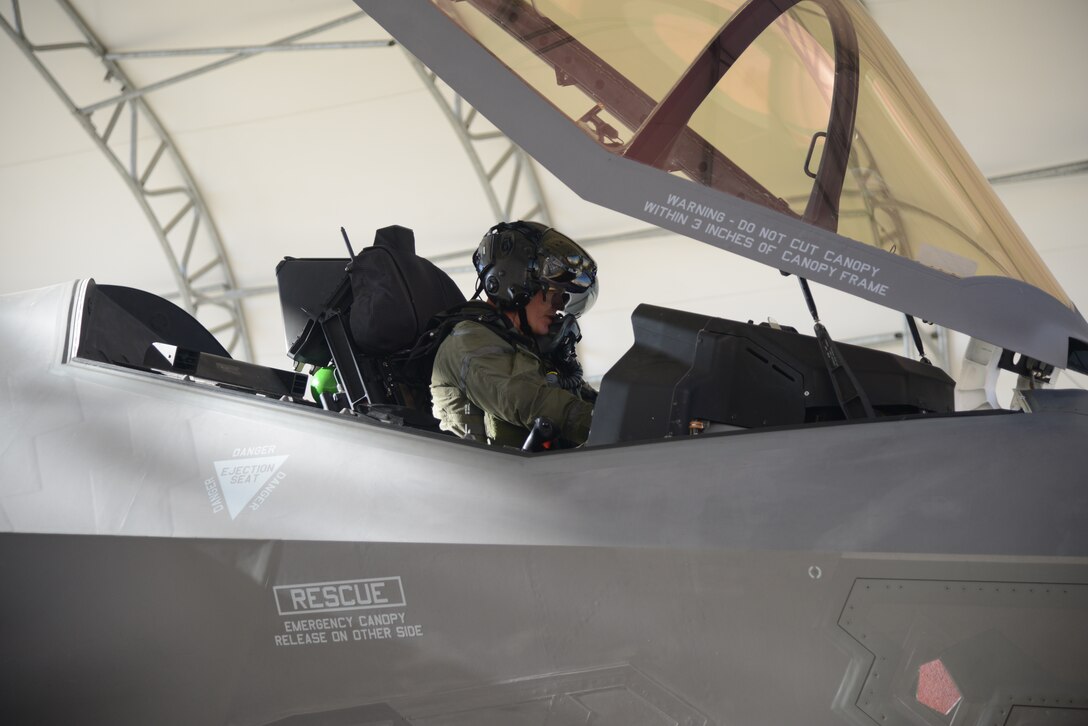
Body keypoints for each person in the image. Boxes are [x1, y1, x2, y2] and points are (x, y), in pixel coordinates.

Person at [430, 221, 598, 447]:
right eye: (553, 292)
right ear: (516, 284)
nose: (559, 306)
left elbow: (586, 399)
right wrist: (604, 423)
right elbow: (530, 402)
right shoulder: (468, 341)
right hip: (489, 478)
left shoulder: (527, 347)